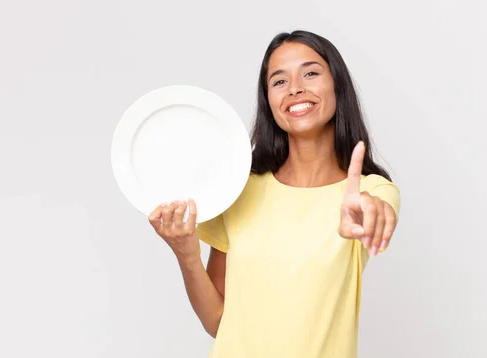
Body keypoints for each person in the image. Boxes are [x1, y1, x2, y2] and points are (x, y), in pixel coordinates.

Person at [148, 30, 401, 358]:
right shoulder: (240, 188)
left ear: (338, 85)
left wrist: (371, 210)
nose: (295, 88)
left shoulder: (369, 190)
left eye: (310, 73)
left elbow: (380, 208)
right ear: (268, 100)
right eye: (279, 81)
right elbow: (217, 321)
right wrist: (186, 254)